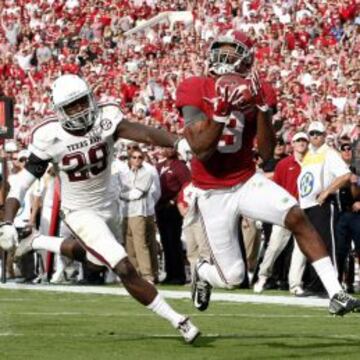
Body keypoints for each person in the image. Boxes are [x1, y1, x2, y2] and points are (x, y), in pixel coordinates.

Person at [0, 74, 200, 343]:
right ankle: (179, 320)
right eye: (72, 106)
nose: (80, 110)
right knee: (123, 266)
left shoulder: (105, 119)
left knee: (96, 263)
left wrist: (176, 141)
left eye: (82, 102)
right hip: (78, 211)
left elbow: (142, 132)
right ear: (60, 111)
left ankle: (39, 241)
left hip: (109, 205)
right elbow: (22, 184)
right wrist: (8, 220)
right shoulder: (50, 136)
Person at [175, 29, 360, 316]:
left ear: (247, 61)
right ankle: (202, 270)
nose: (224, 57)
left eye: (233, 51)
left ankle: (335, 292)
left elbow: (265, 152)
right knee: (233, 278)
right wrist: (221, 112)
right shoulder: (194, 86)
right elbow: (200, 149)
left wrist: (262, 107)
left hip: (246, 180)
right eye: (221, 50)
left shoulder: (261, 89)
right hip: (211, 191)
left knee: (296, 215)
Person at [297, 121, 352, 295]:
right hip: (307, 205)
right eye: (312, 134)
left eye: (318, 134)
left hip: (322, 205)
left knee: (326, 244)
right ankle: (315, 283)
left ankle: (331, 285)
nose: (314, 137)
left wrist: (327, 191)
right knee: (311, 246)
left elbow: (345, 175)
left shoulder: (329, 153)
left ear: (324, 135)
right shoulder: (309, 155)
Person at [155, 146, 191, 285]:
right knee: (166, 241)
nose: (168, 150)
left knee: (174, 241)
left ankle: (178, 274)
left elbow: (186, 186)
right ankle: (170, 273)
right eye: (166, 147)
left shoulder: (180, 167)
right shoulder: (159, 166)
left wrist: (174, 200)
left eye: (171, 148)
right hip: (160, 208)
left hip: (173, 208)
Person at [120, 148, 154, 283]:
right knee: (129, 245)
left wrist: (121, 195)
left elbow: (136, 194)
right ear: (130, 159)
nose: (137, 160)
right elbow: (122, 190)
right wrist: (123, 194)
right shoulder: (126, 174)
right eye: (134, 157)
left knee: (141, 244)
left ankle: (147, 276)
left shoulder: (147, 173)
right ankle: (135, 275)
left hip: (139, 212)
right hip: (126, 212)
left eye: (140, 157)